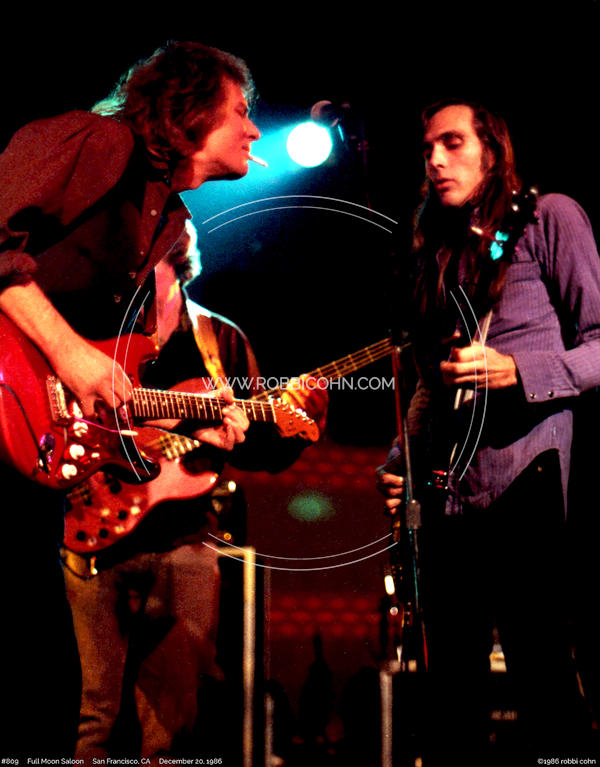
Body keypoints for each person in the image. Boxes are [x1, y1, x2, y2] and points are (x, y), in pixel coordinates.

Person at [0, 41, 325, 759]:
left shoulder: (166, 218)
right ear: (191, 108)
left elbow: (109, 365)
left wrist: (214, 419)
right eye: (240, 110)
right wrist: (68, 352)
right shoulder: (98, 141)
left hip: (41, 449)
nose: (253, 129)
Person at [376, 99, 600, 764]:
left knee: (543, 675)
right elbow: (429, 383)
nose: (435, 160)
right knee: (451, 696)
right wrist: (400, 463)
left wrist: (519, 370)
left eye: (451, 143)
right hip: (448, 492)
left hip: (527, 475)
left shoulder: (550, 216)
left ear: (493, 151)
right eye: (427, 149)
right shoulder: (437, 249)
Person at [61, 220, 327, 761]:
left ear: (175, 251)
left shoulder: (219, 340)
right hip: (92, 527)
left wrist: (288, 426)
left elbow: (254, 448)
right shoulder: (97, 325)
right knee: (90, 717)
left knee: (174, 723)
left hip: (185, 541)